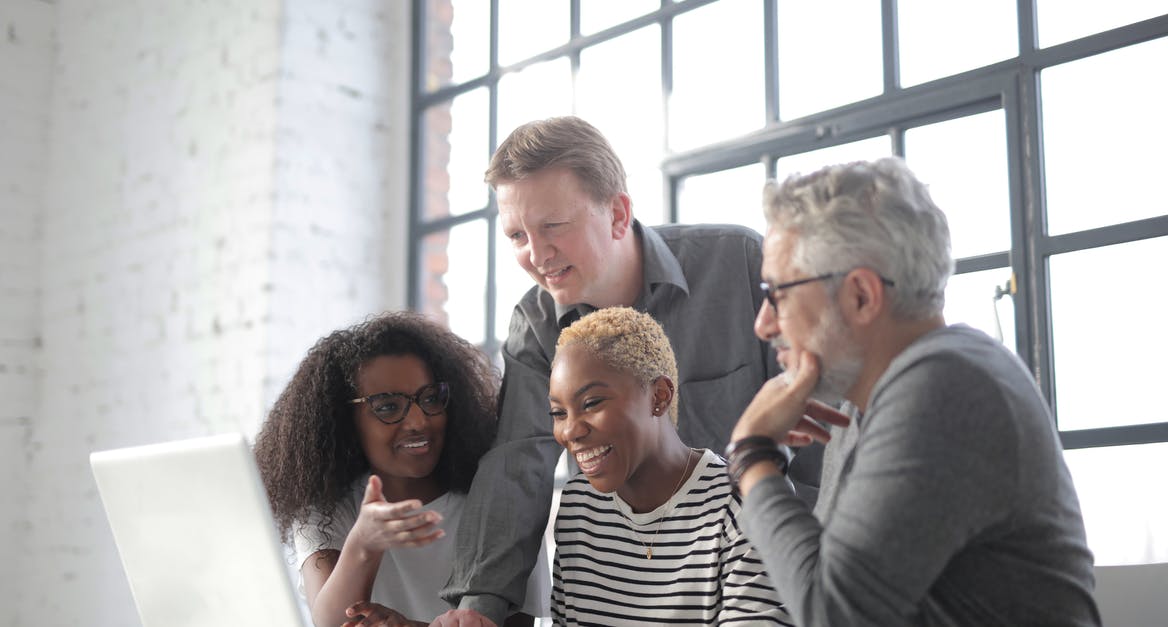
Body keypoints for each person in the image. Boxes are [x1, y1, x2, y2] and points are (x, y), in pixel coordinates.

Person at [434, 116, 821, 626]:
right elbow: (518, 462)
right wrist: (478, 605)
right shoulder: (535, 322)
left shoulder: (740, 264)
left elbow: (821, 419)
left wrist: (818, 563)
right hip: (619, 589)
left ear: (617, 214)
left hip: (758, 581)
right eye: (516, 235)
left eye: (552, 226)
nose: (535, 254)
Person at [727, 157, 1100, 625]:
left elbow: (833, 615)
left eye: (776, 294)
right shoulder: (873, 399)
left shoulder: (945, 387)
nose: (763, 325)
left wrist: (752, 454)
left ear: (861, 295)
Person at [254, 312, 549, 627]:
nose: (419, 422)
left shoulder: (502, 495)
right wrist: (365, 542)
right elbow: (330, 623)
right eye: (388, 407)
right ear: (343, 420)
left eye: (431, 399)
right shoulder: (326, 505)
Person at [548, 306, 792, 625]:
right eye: (558, 413)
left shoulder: (739, 502)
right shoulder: (580, 506)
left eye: (591, 403)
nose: (570, 430)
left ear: (659, 397)